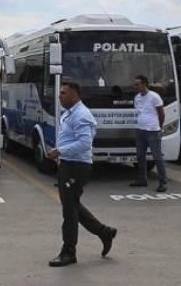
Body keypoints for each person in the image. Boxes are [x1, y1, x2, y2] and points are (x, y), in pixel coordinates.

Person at [46, 82, 117, 267]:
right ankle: (104, 232)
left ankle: (69, 252)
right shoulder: (69, 113)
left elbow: (85, 143)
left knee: (69, 211)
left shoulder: (81, 115)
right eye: (60, 93)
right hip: (69, 164)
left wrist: (60, 151)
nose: (60, 96)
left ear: (75, 95)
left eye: (63, 93)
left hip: (77, 167)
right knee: (73, 205)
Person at [130, 75, 168, 192]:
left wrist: (159, 126)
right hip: (140, 129)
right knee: (140, 156)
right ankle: (142, 179)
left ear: (144, 84)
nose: (136, 87)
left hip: (152, 130)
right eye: (135, 84)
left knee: (157, 157)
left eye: (138, 84)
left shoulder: (154, 97)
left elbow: (161, 113)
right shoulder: (137, 98)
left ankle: (163, 182)